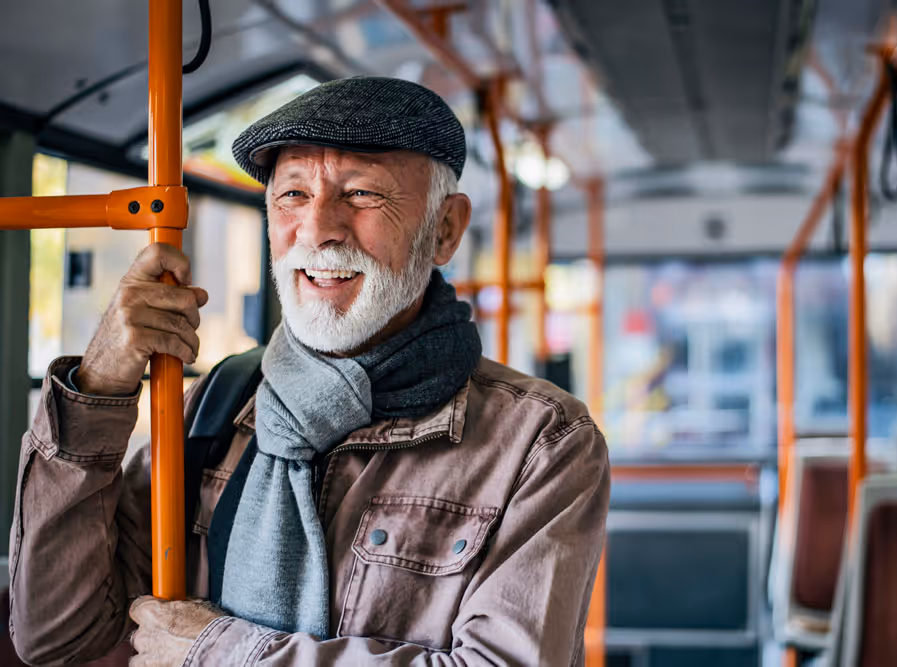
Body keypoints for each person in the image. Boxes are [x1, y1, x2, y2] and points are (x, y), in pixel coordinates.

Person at [8, 76, 610, 666]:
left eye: (363, 195)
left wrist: (222, 654)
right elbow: (58, 636)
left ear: (444, 229)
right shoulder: (217, 404)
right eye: (292, 195)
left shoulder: (540, 443)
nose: (318, 229)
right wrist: (98, 387)